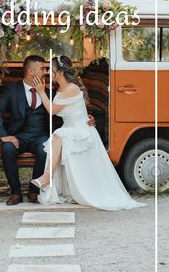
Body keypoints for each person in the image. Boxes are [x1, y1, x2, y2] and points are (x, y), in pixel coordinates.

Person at [31, 55, 147, 211]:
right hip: (73, 128)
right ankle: (49, 178)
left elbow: (52, 110)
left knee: (58, 136)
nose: (47, 73)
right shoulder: (62, 88)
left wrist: (40, 91)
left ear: (59, 72)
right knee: (58, 136)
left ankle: (47, 176)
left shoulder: (71, 89)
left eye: (50, 70)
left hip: (81, 131)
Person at [0, 54, 96, 205]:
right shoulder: (13, 90)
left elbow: (68, 111)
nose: (46, 71)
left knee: (45, 150)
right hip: (18, 136)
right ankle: (15, 192)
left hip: (40, 135)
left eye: (47, 69)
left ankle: (34, 191)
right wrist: (3, 136)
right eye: (42, 68)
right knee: (7, 149)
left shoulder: (51, 93)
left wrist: (86, 119)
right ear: (31, 71)